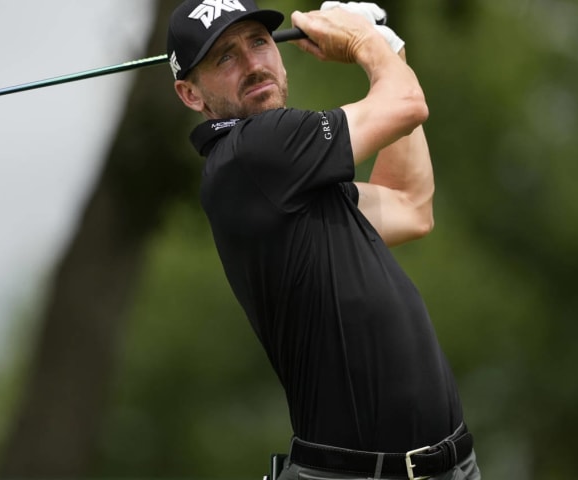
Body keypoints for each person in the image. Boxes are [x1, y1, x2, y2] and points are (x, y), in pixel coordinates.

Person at [166, 0, 480, 479]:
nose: (253, 64)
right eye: (224, 57)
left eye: (259, 42)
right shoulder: (251, 153)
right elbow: (407, 104)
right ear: (191, 94)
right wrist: (363, 42)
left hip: (451, 464)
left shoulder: (286, 181)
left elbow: (410, 205)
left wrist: (390, 53)